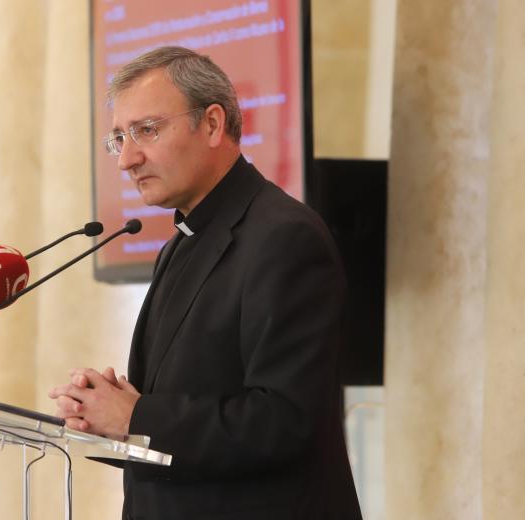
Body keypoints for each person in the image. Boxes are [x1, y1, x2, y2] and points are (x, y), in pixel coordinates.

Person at [49, 46, 362, 520]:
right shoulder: (181, 242)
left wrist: (135, 417)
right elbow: (187, 405)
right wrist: (105, 415)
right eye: (118, 138)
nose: (126, 160)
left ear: (213, 124)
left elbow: (285, 421)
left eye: (146, 130)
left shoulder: (284, 237)